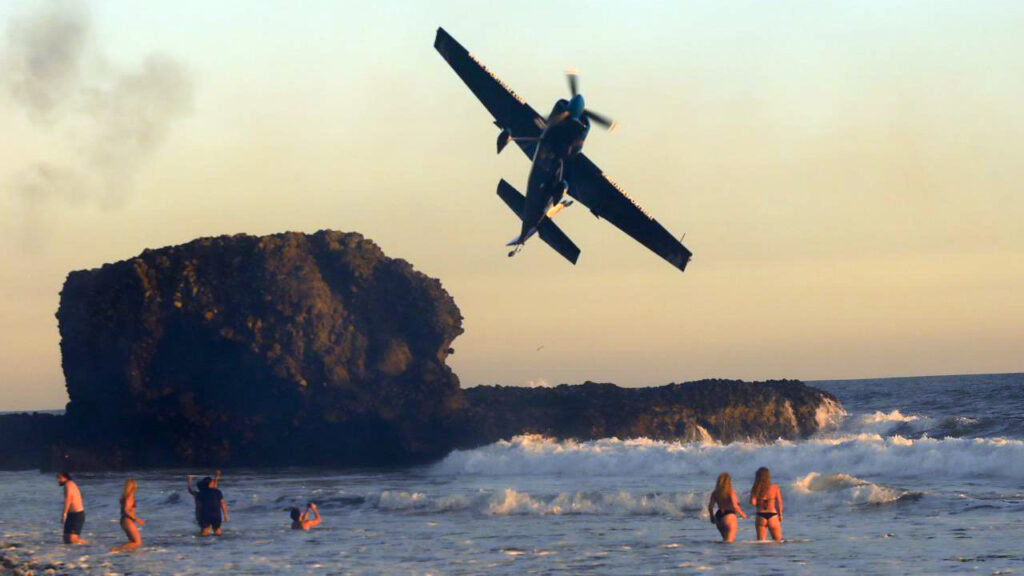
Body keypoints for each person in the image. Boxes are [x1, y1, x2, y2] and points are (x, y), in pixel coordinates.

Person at [707, 472, 747, 542]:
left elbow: (710, 506)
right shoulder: (730, 492)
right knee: (729, 542)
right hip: (729, 515)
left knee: (725, 540)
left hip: (718, 516)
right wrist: (742, 513)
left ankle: (721, 552)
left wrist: (712, 517)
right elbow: (735, 505)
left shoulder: (715, 492)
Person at [110, 478, 145, 553]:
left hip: (125, 520)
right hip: (127, 520)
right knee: (137, 542)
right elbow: (126, 510)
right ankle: (116, 549)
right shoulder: (129, 497)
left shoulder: (126, 496)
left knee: (132, 541)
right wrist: (137, 519)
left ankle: (129, 556)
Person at [750, 466, 784, 541]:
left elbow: (752, 502)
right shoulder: (775, 487)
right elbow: (779, 502)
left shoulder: (755, 488)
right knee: (778, 541)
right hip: (773, 515)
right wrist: (780, 514)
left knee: (761, 542)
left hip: (760, 515)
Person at [57, 471, 87, 544]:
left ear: (65, 478)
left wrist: (64, 514)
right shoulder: (67, 485)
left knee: (72, 539)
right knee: (66, 539)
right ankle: (71, 555)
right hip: (71, 514)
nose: (58, 480)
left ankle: (89, 545)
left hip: (77, 515)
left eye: (59, 478)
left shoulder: (69, 485)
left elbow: (68, 499)